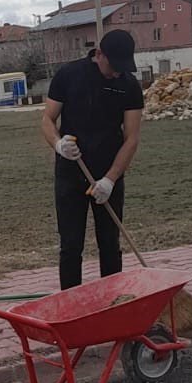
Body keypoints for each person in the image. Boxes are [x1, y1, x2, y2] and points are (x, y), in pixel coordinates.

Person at [41, 29, 143, 288]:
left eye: (122, 68)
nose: (117, 73)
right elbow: (48, 119)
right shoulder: (68, 75)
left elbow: (131, 139)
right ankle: (71, 303)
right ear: (99, 54)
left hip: (109, 173)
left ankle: (113, 301)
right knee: (70, 246)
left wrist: (110, 180)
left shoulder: (129, 85)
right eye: (113, 66)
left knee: (110, 244)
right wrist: (58, 144)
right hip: (70, 173)